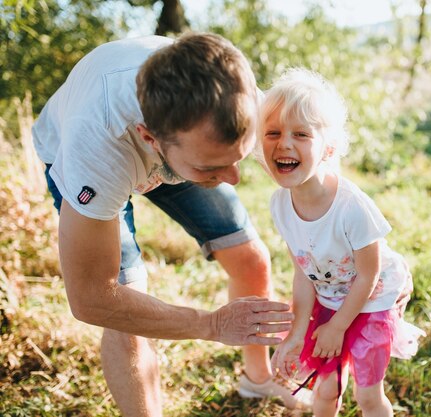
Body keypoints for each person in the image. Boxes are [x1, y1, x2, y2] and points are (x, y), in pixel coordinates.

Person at [32, 33, 312, 415]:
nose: (233, 178)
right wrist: (211, 325)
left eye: (239, 157)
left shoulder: (240, 97)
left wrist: (369, 253)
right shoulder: (96, 146)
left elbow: (320, 171)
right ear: (150, 139)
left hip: (178, 157)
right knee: (127, 317)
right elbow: (93, 298)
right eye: (213, 167)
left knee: (251, 259)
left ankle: (257, 379)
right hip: (100, 156)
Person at [261, 68, 426, 417]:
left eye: (301, 134)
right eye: (272, 132)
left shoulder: (351, 207)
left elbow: (369, 274)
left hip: (374, 295)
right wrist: (296, 332)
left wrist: (337, 326)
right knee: (326, 388)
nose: (284, 143)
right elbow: (304, 272)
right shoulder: (280, 204)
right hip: (330, 292)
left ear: (328, 148)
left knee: (367, 396)